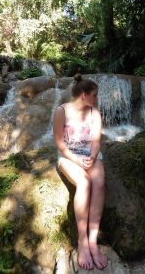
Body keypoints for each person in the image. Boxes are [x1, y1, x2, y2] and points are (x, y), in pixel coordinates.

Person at [53, 74, 107, 271]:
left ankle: (93, 240)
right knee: (84, 183)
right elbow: (59, 143)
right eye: (94, 95)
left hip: (90, 156)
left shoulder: (94, 113)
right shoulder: (62, 111)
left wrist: (92, 157)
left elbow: (95, 141)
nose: (96, 98)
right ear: (84, 95)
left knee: (99, 182)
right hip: (68, 157)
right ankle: (82, 242)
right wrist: (76, 159)